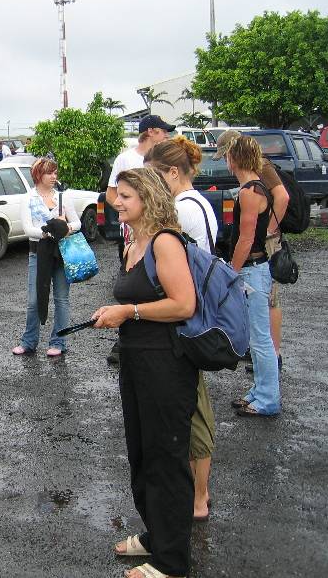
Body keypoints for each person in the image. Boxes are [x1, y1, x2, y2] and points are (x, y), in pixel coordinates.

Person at [92, 167, 197, 578]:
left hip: (166, 363)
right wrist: (113, 313)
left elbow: (183, 304)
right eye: (117, 196)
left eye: (126, 197)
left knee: (166, 457)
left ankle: (172, 561)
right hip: (136, 360)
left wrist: (129, 311)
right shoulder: (133, 242)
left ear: (149, 199)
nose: (116, 203)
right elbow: (136, 297)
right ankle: (156, 536)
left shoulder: (165, 243)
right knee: (141, 452)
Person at [145, 136, 217, 522]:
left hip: (189, 320)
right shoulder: (200, 202)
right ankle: (196, 492)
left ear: (173, 173)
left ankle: (199, 497)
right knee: (191, 406)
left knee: (194, 409)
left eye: (157, 175)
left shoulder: (182, 210)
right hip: (199, 314)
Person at [213, 130, 289, 373]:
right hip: (257, 259)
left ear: (234, 155)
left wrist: (267, 230)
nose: (226, 163)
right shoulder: (252, 185)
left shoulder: (251, 188)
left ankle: (267, 389)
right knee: (259, 329)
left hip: (257, 259)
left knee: (262, 329)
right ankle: (264, 384)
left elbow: (282, 198)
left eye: (226, 156)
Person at [105, 114, 175, 365]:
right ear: (151, 132)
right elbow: (111, 192)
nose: (166, 135)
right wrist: (126, 216)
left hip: (157, 227)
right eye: (163, 131)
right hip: (135, 233)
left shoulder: (162, 158)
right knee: (134, 278)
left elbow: (184, 304)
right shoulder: (126, 158)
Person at [225, 135, 281, 417]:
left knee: (260, 339)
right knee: (257, 337)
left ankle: (268, 398)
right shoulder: (260, 186)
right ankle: (259, 390)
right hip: (259, 269)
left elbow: (245, 239)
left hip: (253, 270)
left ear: (233, 159)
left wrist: (230, 273)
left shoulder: (249, 192)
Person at [12, 157, 80, 357]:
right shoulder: (29, 198)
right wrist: (47, 232)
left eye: (55, 173)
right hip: (38, 253)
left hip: (61, 254)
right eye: (49, 173)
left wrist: (65, 227)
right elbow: (28, 229)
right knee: (34, 300)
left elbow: (78, 223)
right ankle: (29, 341)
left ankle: (58, 342)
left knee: (61, 299)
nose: (54, 176)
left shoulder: (63, 197)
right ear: (38, 175)